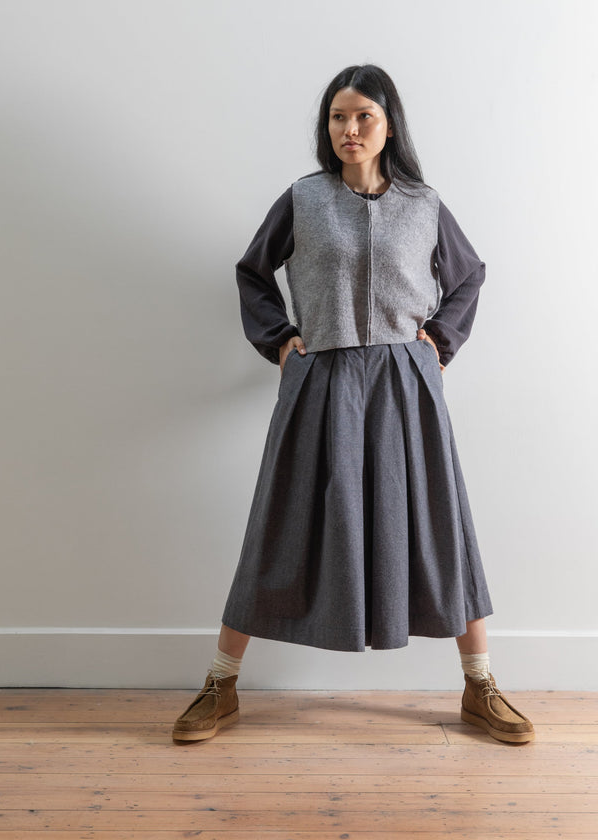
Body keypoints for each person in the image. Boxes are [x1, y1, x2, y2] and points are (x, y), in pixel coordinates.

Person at [172, 64, 534, 745]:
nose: (349, 128)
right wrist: (280, 341)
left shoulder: (424, 204)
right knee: (279, 525)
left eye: (364, 115)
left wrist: (438, 341)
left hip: (405, 382)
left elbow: (468, 277)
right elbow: (253, 272)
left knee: (439, 524)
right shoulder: (304, 199)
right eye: (338, 117)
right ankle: (220, 684)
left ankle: (480, 685)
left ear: (389, 125)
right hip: (322, 378)